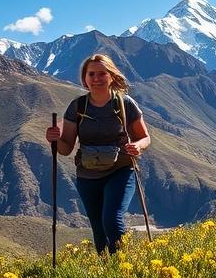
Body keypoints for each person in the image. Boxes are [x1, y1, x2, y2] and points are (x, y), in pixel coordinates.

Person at [45, 54, 151, 254]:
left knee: (111, 217)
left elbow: (145, 137)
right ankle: (106, 270)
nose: (96, 78)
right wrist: (55, 138)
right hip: (87, 175)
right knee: (98, 226)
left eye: (102, 73)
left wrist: (138, 146)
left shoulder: (125, 103)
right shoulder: (77, 107)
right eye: (91, 74)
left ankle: (122, 266)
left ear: (111, 76)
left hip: (121, 169)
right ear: (84, 78)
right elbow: (66, 148)